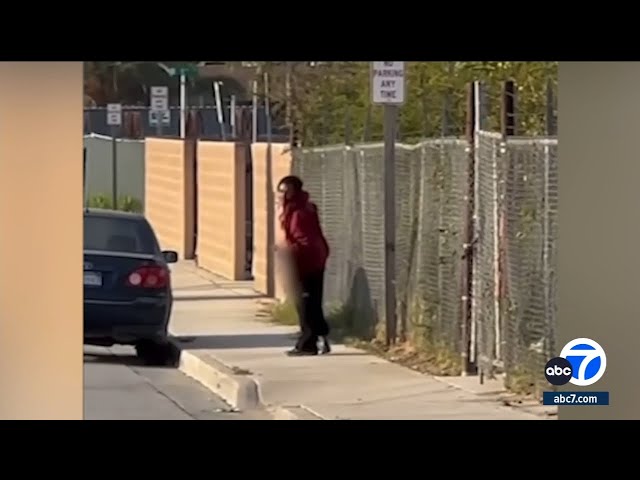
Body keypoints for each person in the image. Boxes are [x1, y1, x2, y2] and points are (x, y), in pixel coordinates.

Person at [277, 175, 331, 356]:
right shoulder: (303, 208)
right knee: (313, 303)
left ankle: (308, 344)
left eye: (285, 192)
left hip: (307, 261)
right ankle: (321, 336)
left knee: (305, 303)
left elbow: (304, 240)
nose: (281, 196)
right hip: (314, 259)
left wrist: (289, 253)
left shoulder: (299, 213)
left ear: (293, 193)